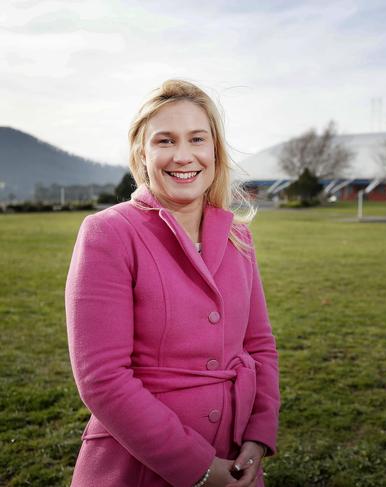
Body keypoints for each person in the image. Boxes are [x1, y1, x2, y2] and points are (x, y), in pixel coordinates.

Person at [65, 79, 280, 487]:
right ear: (141, 154)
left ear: (214, 149)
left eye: (197, 138)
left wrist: (258, 435)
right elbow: (103, 378)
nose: (183, 156)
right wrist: (198, 467)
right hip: (139, 466)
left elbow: (260, 345)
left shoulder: (239, 237)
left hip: (236, 459)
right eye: (165, 141)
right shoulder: (107, 233)